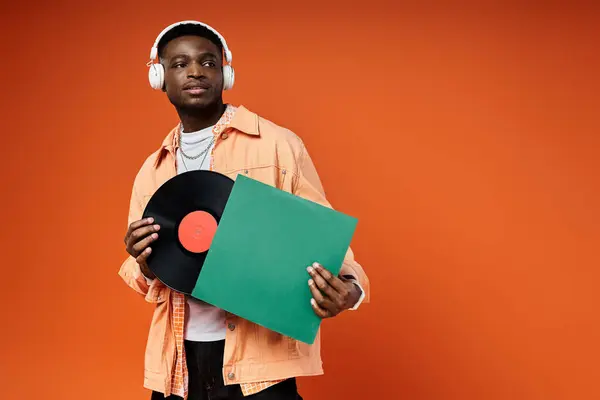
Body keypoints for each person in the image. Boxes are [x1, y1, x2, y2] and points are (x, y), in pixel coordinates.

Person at [119, 20, 370, 400]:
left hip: (259, 371)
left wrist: (350, 290)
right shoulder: (152, 170)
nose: (194, 72)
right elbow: (147, 279)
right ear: (160, 77)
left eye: (208, 63)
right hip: (176, 368)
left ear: (225, 73)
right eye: (179, 64)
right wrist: (141, 260)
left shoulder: (277, 145)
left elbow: (323, 240)